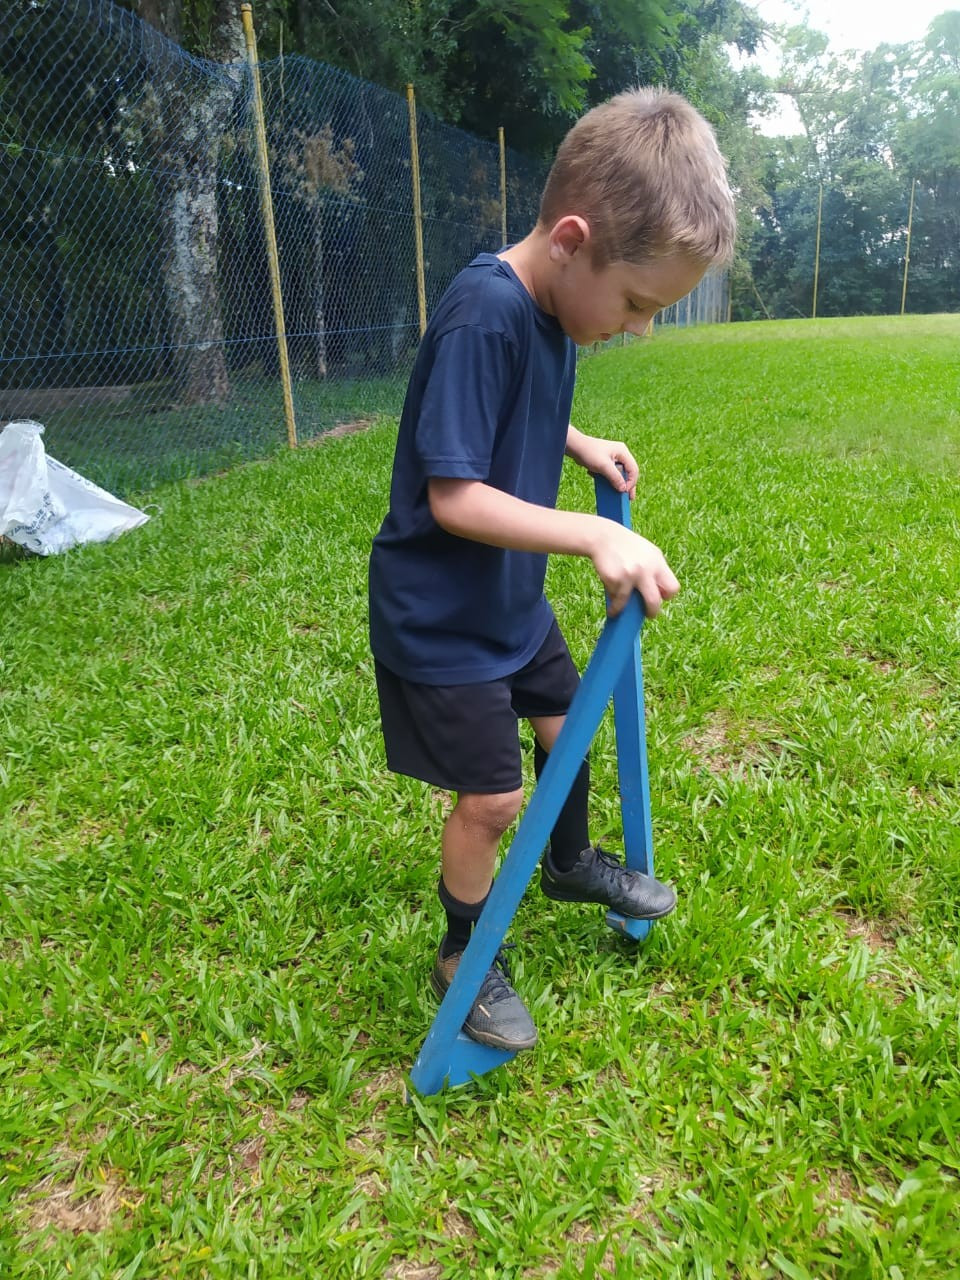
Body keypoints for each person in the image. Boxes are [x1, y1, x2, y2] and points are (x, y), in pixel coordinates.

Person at [368, 87, 736, 1052]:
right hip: (441, 614)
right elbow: (454, 496)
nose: (638, 327)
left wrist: (577, 441)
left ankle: (569, 863)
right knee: (493, 799)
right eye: (636, 304)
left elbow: (518, 402)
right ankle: (463, 952)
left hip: (508, 599)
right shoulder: (483, 313)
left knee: (569, 728)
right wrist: (589, 533)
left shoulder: (547, 311)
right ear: (573, 239)